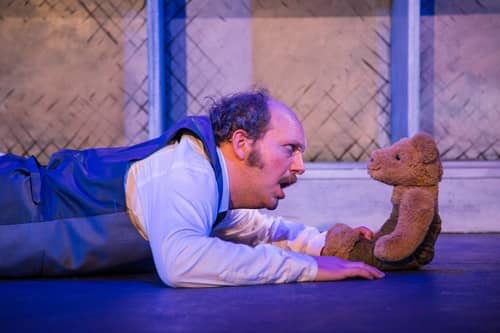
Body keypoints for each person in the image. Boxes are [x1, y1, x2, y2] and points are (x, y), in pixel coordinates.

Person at [0, 89, 383, 287]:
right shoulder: (185, 171)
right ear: (241, 143)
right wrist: (309, 267)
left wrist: (324, 244)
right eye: (290, 149)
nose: (299, 165)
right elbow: (182, 262)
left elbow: (252, 228)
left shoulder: (209, 183)